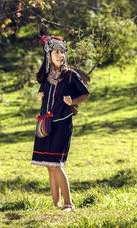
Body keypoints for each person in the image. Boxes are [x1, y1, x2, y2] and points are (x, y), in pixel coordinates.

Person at [32, 35, 90, 211]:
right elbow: (44, 93)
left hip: (62, 123)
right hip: (46, 123)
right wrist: (39, 96)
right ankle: (55, 204)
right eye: (56, 52)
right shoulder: (46, 76)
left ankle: (69, 203)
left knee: (56, 164)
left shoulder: (70, 75)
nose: (60, 55)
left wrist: (72, 101)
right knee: (49, 166)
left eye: (62, 52)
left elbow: (85, 94)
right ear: (49, 54)